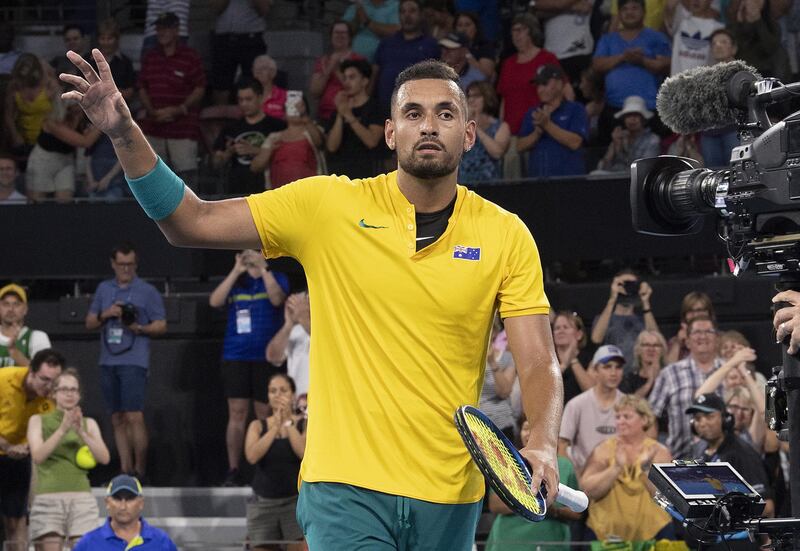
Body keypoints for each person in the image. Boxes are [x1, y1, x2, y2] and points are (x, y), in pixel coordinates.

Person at [63, 49, 564, 550]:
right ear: (391, 132)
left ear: (469, 134)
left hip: (450, 496)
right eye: (413, 113)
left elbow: (539, 360)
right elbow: (191, 221)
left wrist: (541, 442)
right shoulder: (329, 205)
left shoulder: (506, 235)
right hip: (345, 487)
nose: (428, 126)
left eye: (445, 114)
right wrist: (125, 134)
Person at [85, 242, 167, 479]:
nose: (126, 269)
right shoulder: (103, 289)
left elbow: (161, 325)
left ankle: (140, 470)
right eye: (121, 265)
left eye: (130, 265)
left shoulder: (147, 291)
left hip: (134, 359)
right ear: (113, 264)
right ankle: (125, 469)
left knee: (134, 415)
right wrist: (106, 313)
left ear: (136, 264)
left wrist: (138, 326)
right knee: (117, 417)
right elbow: (89, 322)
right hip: (108, 359)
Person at [209, 249, 289, 486]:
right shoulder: (237, 281)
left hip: (266, 357)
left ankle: (261, 469)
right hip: (236, 355)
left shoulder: (277, 277)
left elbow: (277, 299)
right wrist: (236, 270)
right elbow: (215, 301)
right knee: (237, 413)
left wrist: (263, 269)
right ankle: (234, 469)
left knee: (264, 413)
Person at [27, 368, 111, 551]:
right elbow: (38, 456)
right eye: (64, 389)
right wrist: (63, 429)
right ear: (54, 394)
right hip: (48, 499)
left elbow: (104, 458)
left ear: (79, 395)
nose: (69, 394)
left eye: (74, 390)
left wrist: (81, 431)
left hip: (81, 499)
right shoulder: (38, 420)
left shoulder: (89, 423)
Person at [580, 395, 674, 543]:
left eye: (627, 416)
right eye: (618, 417)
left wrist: (645, 469)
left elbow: (665, 498)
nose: (620, 421)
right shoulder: (604, 449)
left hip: (654, 534)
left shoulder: (659, 452)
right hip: (605, 535)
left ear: (644, 420)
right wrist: (615, 468)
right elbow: (588, 490)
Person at [0, 348, 64, 550]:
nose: (49, 386)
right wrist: (8, 446)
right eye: (44, 379)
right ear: (31, 371)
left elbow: (45, 431)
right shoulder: (3, 380)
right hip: (4, 446)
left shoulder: (52, 399)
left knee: (16, 519)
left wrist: (27, 447)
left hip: (19, 458)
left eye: (54, 381)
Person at [485, 418, 582, 551]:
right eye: (526, 428)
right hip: (508, 542)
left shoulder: (565, 465)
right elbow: (495, 505)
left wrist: (553, 511)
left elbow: (577, 513)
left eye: (535, 429)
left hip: (552, 541)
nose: (529, 434)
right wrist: (532, 502)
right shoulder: (507, 462)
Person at [138, 12, 206, 187]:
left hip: (183, 128)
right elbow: (141, 87)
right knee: (154, 179)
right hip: (154, 127)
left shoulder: (190, 56)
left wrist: (180, 109)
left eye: (166, 28)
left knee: (187, 181)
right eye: (159, 28)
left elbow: (200, 88)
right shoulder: (150, 56)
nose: (162, 32)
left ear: (176, 30)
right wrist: (152, 111)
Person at [592, 0, 671, 144]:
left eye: (634, 8)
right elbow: (597, 64)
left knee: (650, 160)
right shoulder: (608, 39)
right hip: (614, 107)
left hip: (649, 107)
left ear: (644, 12)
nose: (629, 12)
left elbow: (664, 65)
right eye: (625, 9)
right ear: (619, 13)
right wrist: (623, 57)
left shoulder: (657, 37)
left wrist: (642, 61)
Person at [244, 373, 307, 551]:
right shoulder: (257, 426)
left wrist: (287, 423)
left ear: (293, 395)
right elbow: (252, 456)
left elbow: (302, 452)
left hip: (294, 503)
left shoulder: (303, 424)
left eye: (283, 390)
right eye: (273, 391)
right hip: (264, 504)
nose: (278, 395)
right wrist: (274, 428)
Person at [686, 393, 774, 517]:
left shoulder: (742, 453)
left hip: (734, 534)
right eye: (698, 418)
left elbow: (766, 506)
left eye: (709, 416)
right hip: (706, 531)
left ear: (725, 419)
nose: (702, 423)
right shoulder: (697, 450)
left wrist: (726, 516)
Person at [649, 315, 723, 459]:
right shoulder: (669, 374)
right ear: (687, 341)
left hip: (725, 457)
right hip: (679, 459)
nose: (703, 336)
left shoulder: (730, 370)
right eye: (697, 332)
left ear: (717, 338)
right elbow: (650, 416)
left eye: (708, 331)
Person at [559, 345, 625, 474]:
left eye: (618, 367)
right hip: (583, 475)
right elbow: (561, 445)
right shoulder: (576, 404)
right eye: (607, 367)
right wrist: (576, 479)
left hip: (619, 475)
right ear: (595, 371)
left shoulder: (628, 406)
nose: (613, 372)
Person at [213, 79, 287, 195]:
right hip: (235, 191)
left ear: (261, 97)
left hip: (268, 190)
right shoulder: (230, 128)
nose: (244, 104)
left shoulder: (277, 126)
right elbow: (215, 163)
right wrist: (228, 152)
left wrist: (255, 151)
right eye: (240, 100)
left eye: (248, 99)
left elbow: (286, 157)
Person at [71, 474, 178, 551]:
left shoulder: (161, 541)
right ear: (107, 502)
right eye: (117, 499)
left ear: (141, 503)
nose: (123, 506)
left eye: (130, 498)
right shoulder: (89, 543)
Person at [517, 64, 588, 178]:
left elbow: (575, 143)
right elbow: (520, 146)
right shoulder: (533, 112)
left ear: (559, 84)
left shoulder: (576, 109)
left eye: (545, 84)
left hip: (570, 182)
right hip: (538, 183)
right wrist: (537, 133)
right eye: (538, 85)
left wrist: (547, 125)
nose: (540, 90)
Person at [373, 0, 441, 114]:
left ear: (421, 14)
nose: (407, 16)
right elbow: (375, 73)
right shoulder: (386, 43)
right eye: (403, 12)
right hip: (383, 109)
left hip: (415, 110)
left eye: (412, 11)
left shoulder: (431, 45)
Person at [324, 58, 384, 179]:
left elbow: (372, 141)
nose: (346, 82)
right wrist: (341, 114)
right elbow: (331, 146)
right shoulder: (339, 110)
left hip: (367, 175)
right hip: (340, 176)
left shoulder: (375, 108)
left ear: (364, 81)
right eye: (345, 78)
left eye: (352, 77)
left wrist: (349, 116)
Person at [250, 97, 324, 190]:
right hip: (280, 196)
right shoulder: (274, 137)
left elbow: (319, 142)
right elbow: (255, 167)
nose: (296, 109)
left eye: (299, 106)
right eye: (291, 107)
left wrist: (305, 117)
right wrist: (269, 150)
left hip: (310, 193)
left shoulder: (313, 131)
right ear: (284, 113)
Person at [590, 269, 659, 367]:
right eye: (623, 284)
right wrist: (613, 297)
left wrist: (645, 302)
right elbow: (596, 338)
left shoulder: (644, 319)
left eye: (632, 284)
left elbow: (656, 339)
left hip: (639, 372)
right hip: (613, 372)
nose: (627, 287)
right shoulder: (604, 318)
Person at [209, 0, 270, 106]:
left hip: (251, 39)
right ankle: (222, 120)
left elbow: (264, 10)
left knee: (254, 85)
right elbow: (215, 9)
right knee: (220, 87)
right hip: (224, 39)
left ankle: (253, 120)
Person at [4, 54, 60, 157]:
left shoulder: (49, 85)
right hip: (23, 140)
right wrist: (15, 135)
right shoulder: (14, 86)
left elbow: (59, 113)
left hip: (47, 139)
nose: (25, 78)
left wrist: (40, 62)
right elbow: (8, 115)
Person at [309, 21, 366, 123]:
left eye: (343, 33)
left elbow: (359, 89)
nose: (340, 36)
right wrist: (330, 67)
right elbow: (315, 91)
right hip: (325, 114)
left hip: (350, 114)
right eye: (336, 32)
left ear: (350, 37)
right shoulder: (323, 61)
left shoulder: (358, 60)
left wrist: (337, 70)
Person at [700, 29, 740, 168]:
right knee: (713, 177)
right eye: (714, 43)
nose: (718, 45)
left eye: (723, 42)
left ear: (733, 48)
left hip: (734, 130)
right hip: (708, 134)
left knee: (737, 173)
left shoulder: (742, 73)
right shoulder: (703, 75)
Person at [458, 80, 509, 185]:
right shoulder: (462, 125)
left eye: (476, 96)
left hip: (490, 184)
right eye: (469, 96)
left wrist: (476, 127)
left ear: (487, 98)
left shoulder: (501, 126)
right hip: (465, 184)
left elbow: (497, 153)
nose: (471, 100)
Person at [594, 95, 660, 173]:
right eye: (628, 116)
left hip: (637, 181)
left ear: (643, 119)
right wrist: (614, 146)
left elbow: (645, 170)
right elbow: (601, 168)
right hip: (614, 179)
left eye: (636, 115)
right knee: (595, 174)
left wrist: (625, 151)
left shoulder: (653, 140)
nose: (632, 119)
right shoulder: (619, 137)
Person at [266, 293, 311, 397]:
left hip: (323, 399)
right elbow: (273, 357)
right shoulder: (295, 330)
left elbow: (329, 347)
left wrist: (304, 319)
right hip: (298, 400)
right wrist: (288, 324)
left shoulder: (330, 326)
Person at [665, 0, 724, 75]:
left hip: (705, 84)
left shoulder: (719, 29)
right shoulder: (680, 21)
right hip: (677, 84)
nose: (696, 1)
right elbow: (669, 7)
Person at [0, 283, 51, 368]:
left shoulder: (37, 337)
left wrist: (15, 354)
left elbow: (45, 374)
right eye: (6, 304)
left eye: (16, 304)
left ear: (25, 309)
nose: (10, 309)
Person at [552, 310, 593, 404]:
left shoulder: (589, 359)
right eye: (557, 328)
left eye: (566, 327)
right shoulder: (547, 359)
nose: (560, 331)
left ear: (579, 334)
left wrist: (572, 359)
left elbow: (592, 392)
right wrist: (563, 366)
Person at [664, 291, 715, 365]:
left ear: (709, 313)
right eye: (691, 311)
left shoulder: (719, 337)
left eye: (699, 310)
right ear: (685, 316)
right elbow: (668, 370)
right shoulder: (674, 341)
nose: (695, 315)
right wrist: (678, 343)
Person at [619, 329, 667, 398]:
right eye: (646, 345)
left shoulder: (670, 376)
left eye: (656, 345)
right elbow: (631, 404)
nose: (651, 349)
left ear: (662, 350)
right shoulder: (629, 379)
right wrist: (650, 381)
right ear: (638, 350)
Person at [453, 11, 496, 79]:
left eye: (467, 25)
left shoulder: (484, 46)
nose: (463, 29)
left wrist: (467, 54)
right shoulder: (450, 47)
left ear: (476, 28)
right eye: (460, 25)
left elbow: (486, 74)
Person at [252, 55, 287, 121]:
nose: (258, 72)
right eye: (256, 69)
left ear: (273, 72)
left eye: (263, 68)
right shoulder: (249, 96)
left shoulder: (285, 96)